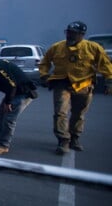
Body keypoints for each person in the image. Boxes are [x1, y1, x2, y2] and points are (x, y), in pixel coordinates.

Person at [38, 21, 112, 154]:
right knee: (60, 113)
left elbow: (105, 66)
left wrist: (109, 82)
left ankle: (74, 138)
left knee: (79, 114)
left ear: (82, 35)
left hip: (84, 85)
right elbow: (44, 62)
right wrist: (44, 76)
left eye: (73, 34)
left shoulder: (93, 48)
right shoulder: (57, 47)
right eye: (68, 33)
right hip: (62, 83)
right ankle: (63, 140)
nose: (70, 36)